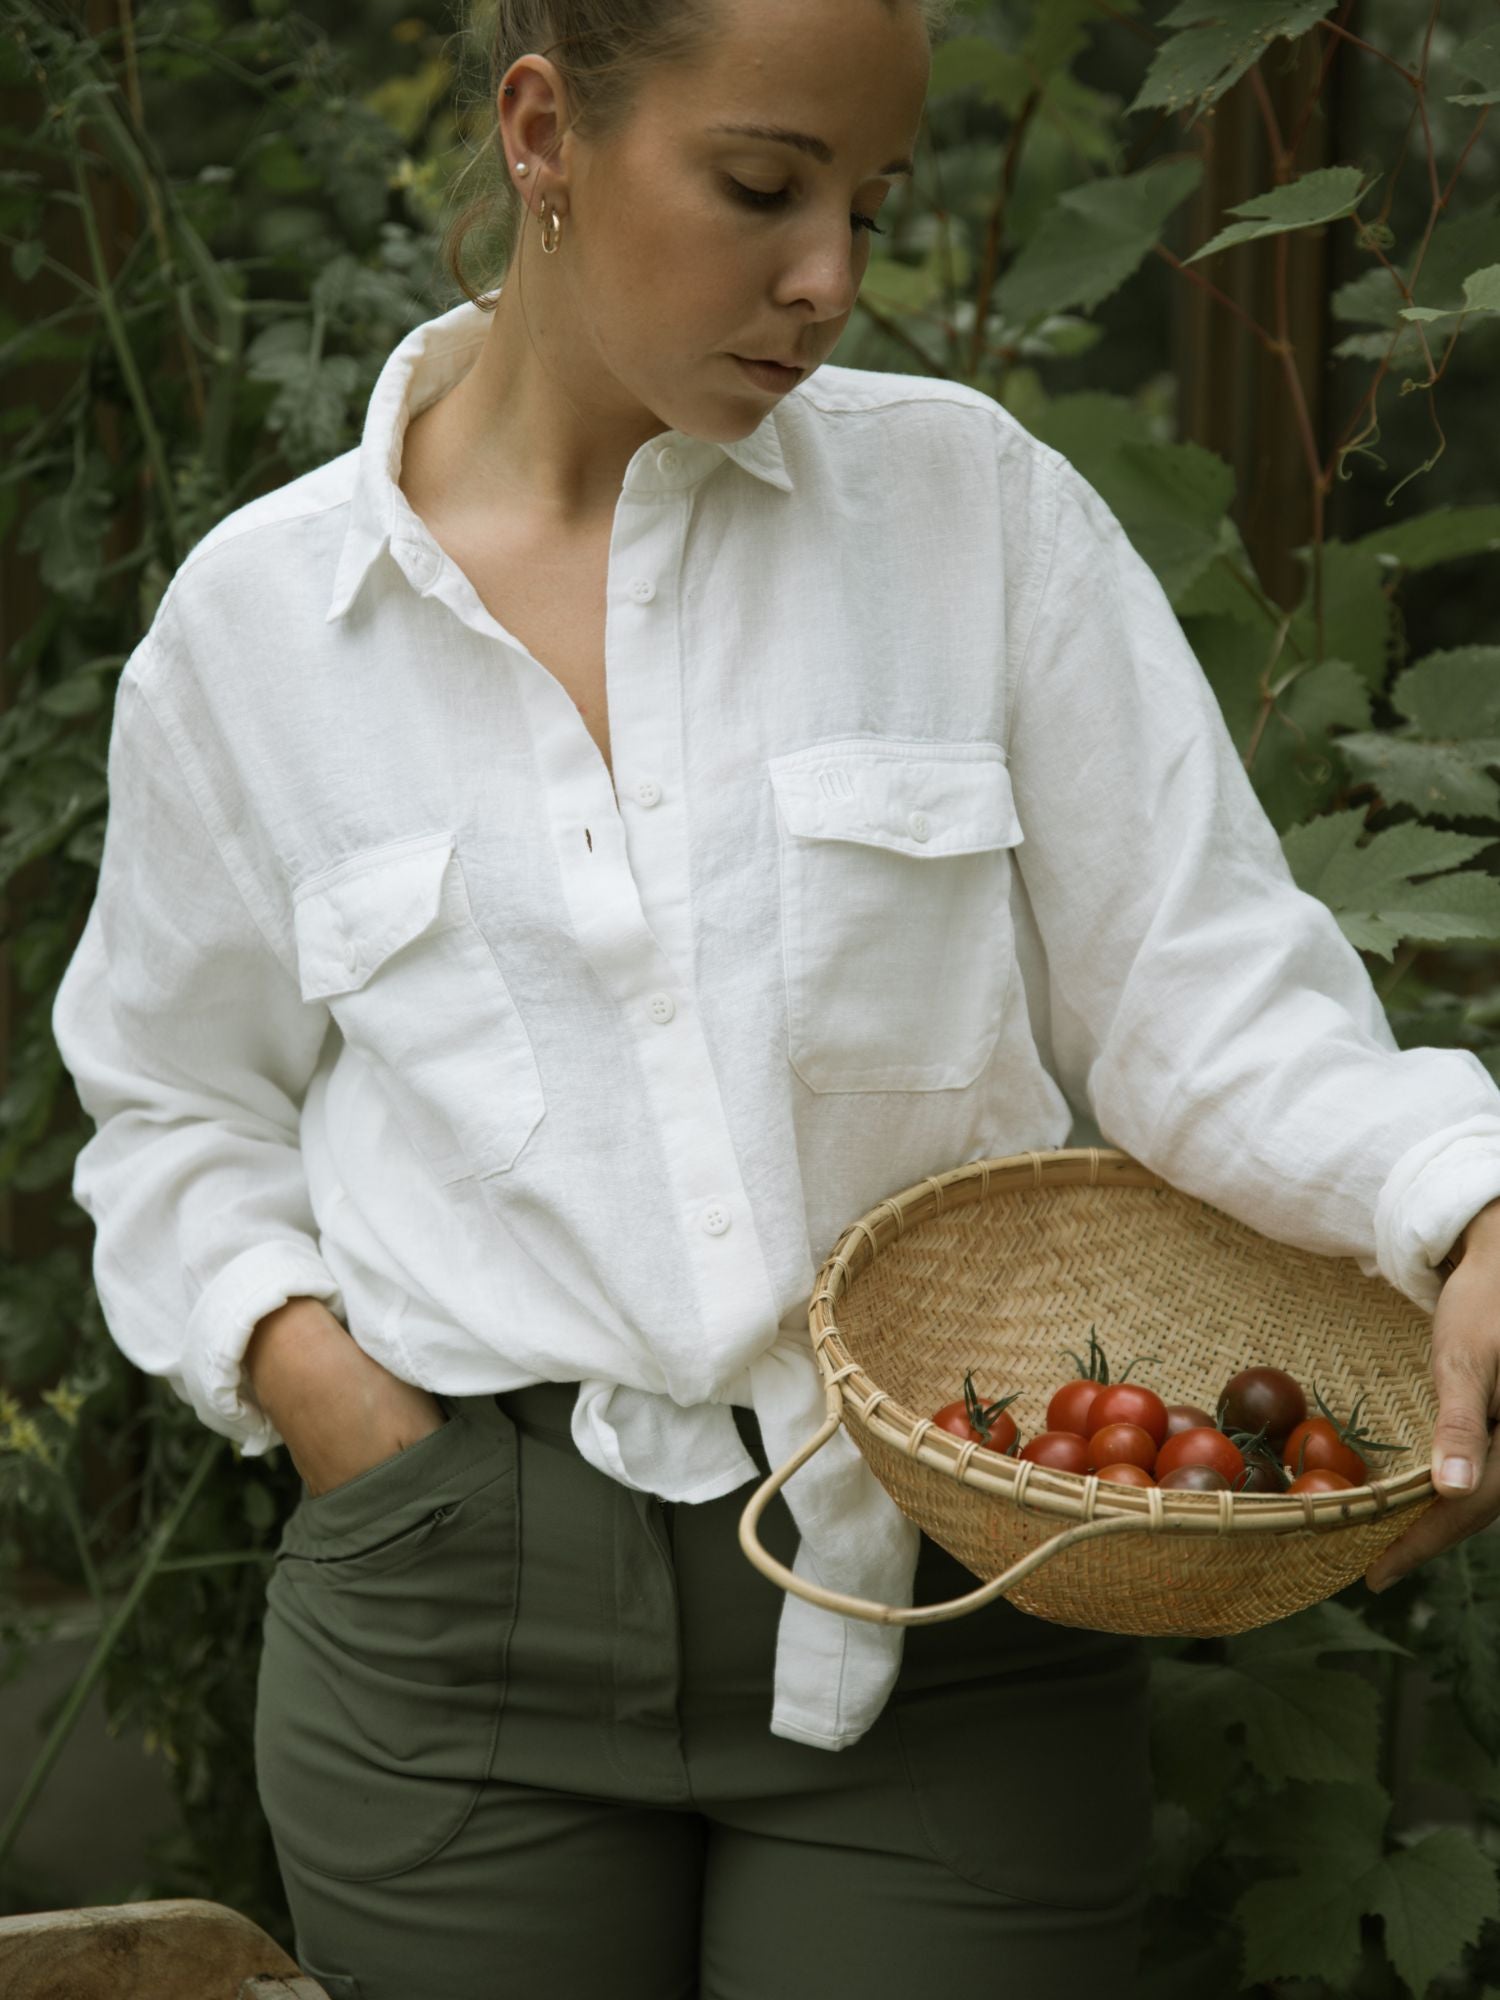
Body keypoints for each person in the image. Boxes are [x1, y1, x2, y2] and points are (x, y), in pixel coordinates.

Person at [49, 0, 1500, 1993]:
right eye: (760, 186)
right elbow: (175, 1109)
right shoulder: (256, 632)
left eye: (869, 201)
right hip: (453, 1616)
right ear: (544, 128)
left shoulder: (968, 515)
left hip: (947, 1591)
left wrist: (1467, 1196)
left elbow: (1206, 1000)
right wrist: (341, 1413)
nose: (830, 276)